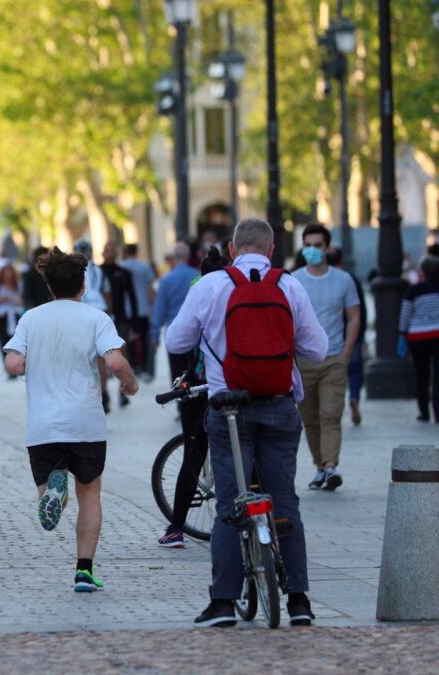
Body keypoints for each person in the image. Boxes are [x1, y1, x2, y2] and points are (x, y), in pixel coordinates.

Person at [166, 217, 328, 628]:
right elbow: (318, 349)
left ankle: (222, 603)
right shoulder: (289, 285)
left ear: (233, 249)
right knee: (285, 501)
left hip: (228, 409)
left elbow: (176, 342)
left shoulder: (210, 286)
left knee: (229, 505)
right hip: (278, 406)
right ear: (271, 249)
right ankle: (299, 602)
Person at [3, 248, 138, 593]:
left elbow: (13, 364)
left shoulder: (31, 319)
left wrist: (33, 363)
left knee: (49, 488)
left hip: (44, 425)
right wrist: (130, 384)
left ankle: (53, 492)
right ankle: (84, 571)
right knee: (90, 495)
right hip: (85, 422)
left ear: (48, 285)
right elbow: (117, 361)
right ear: (83, 285)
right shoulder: (96, 318)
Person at [157, 247, 230, 549]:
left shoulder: (198, 289)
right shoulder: (236, 289)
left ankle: (176, 528)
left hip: (202, 384)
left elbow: (177, 341)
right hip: (239, 384)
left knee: (194, 455)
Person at [293, 224, 360, 491]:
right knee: (310, 418)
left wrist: (346, 352)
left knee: (330, 414)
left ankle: (331, 465)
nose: (312, 250)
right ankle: (320, 467)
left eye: (317, 245)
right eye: (307, 245)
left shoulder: (343, 280)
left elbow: (354, 315)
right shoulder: (294, 280)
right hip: (304, 361)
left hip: (333, 358)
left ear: (327, 248)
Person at [327, 247, 368, 425]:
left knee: (333, 373)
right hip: (352, 332)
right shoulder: (351, 280)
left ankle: (334, 405)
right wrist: (362, 334)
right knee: (355, 370)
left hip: (332, 335)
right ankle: (354, 397)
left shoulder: (327, 281)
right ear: (342, 261)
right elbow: (361, 311)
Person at [150, 241, 199, 382]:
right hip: (196, 333)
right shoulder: (198, 276)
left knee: (178, 377)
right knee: (195, 376)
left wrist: (154, 335)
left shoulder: (166, 280)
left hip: (174, 333)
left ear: (173, 257)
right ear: (188, 256)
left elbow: (159, 310)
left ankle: (181, 402)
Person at [399, 255, 439, 422]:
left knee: (421, 374)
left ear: (422, 272)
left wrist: (402, 334)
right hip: (438, 335)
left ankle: (424, 412)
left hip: (418, 337)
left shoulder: (414, 290)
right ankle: (438, 412)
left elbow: (406, 315)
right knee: (438, 376)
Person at [101, 241, 139, 407]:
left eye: (112, 250)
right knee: (100, 359)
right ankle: (104, 393)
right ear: (102, 253)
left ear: (117, 253)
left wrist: (134, 323)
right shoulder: (97, 272)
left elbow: (132, 297)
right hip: (101, 318)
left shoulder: (124, 273)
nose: (109, 253)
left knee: (122, 354)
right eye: (106, 251)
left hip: (121, 318)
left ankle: (122, 390)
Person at [120, 243, 157, 380]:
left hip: (127, 309)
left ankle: (132, 367)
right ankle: (145, 368)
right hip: (143, 308)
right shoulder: (144, 266)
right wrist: (153, 305)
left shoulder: (122, 266)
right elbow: (150, 287)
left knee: (127, 341)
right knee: (143, 339)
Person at [0, 264, 24, 356]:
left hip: (15, 316)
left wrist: (9, 299)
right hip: (3, 316)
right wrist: (2, 299)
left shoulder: (18, 285)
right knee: (4, 342)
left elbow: (21, 301)